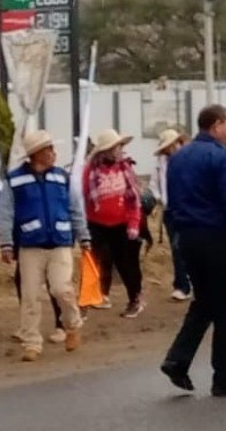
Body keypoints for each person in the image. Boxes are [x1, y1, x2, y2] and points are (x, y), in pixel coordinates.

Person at [161, 105, 226, 397]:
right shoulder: (222, 158)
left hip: (187, 238)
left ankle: (177, 360)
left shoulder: (179, 158)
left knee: (206, 302)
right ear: (216, 125)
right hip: (216, 238)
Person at [0, 130, 89, 362]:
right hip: (30, 246)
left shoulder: (62, 177)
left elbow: (75, 208)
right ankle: (31, 342)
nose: (53, 153)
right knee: (30, 296)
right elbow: (5, 213)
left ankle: (73, 324)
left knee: (61, 289)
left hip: (60, 243)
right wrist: (6, 243)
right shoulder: (15, 180)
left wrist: (83, 236)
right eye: (48, 149)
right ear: (36, 154)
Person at [84, 129, 145, 319]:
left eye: (120, 146)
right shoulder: (90, 171)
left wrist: (134, 222)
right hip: (96, 222)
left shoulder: (125, 169)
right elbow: (82, 194)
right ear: (106, 150)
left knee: (126, 263)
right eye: (115, 147)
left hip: (122, 223)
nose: (119, 150)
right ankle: (86, 301)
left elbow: (133, 198)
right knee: (91, 262)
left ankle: (135, 299)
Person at [152, 129, 191, 301]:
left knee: (189, 246)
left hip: (189, 209)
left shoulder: (190, 160)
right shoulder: (161, 164)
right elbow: (154, 184)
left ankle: (190, 281)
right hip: (171, 211)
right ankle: (182, 285)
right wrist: (160, 198)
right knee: (176, 248)